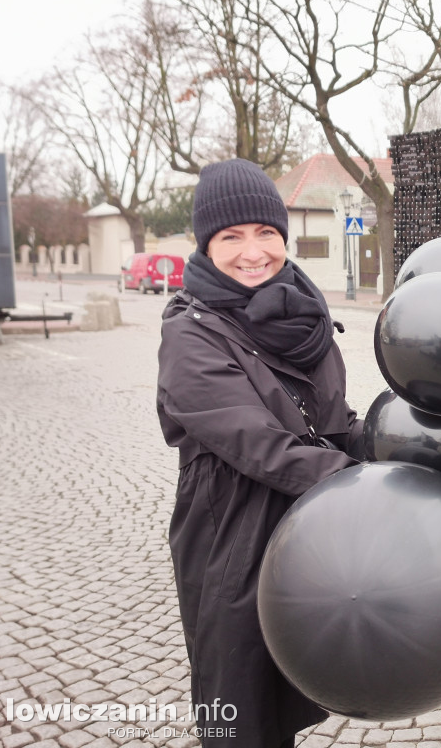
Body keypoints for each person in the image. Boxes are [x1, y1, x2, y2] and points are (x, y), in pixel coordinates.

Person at [157, 158, 363, 747]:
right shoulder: (190, 334)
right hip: (234, 548)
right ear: (206, 244)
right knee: (242, 718)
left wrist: (395, 448)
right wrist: (364, 482)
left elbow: (331, 420)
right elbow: (261, 447)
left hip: (308, 537)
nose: (254, 251)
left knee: (292, 694)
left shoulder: (304, 317)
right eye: (232, 236)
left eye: (266, 232)